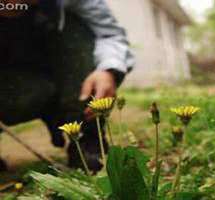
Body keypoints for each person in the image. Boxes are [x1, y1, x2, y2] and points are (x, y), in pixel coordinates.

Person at [0, 0, 134, 172]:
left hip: (61, 67)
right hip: (15, 83)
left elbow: (109, 34)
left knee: (78, 22)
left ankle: (86, 137)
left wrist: (109, 70)